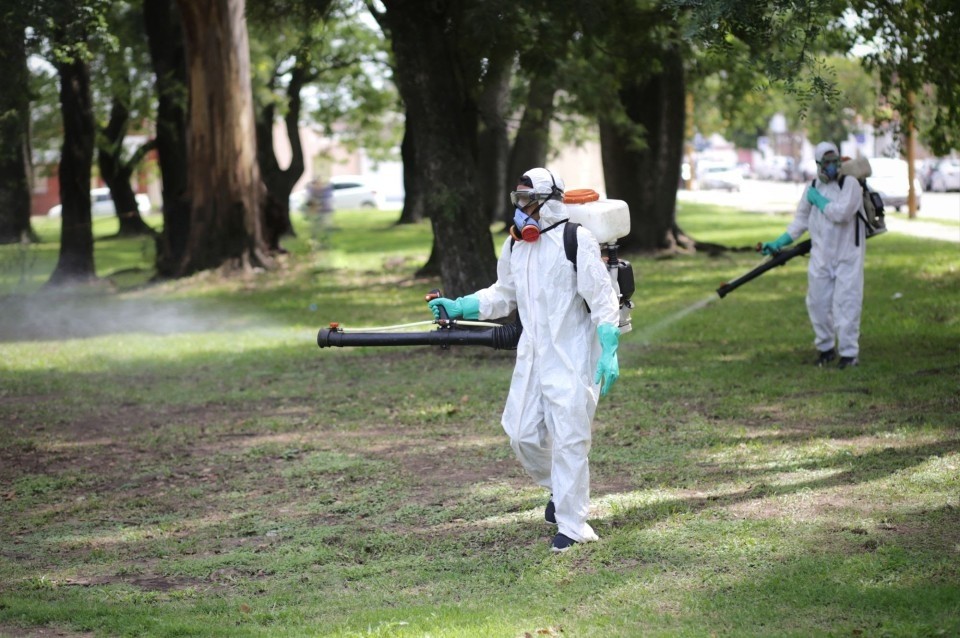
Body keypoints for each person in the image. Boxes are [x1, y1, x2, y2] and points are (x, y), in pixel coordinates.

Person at [428, 167, 621, 553]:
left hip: (573, 355)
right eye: (517, 201)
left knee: (570, 439)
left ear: (548, 203)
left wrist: (610, 350)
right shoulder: (516, 244)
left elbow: (603, 301)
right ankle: (558, 490)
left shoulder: (575, 240)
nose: (520, 209)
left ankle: (572, 525)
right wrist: (461, 304)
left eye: (526, 201)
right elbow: (503, 293)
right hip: (533, 354)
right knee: (520, 433)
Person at [760, 141, 865, 369]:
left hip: (848, 256)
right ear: (818, 164)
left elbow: (842, 214)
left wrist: (820, 201)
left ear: (840, 161)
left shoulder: (850, 185)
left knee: (846, 304)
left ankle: (849, 354)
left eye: (834, 161)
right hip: (821, 257)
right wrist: (779, 242)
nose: (830, 166)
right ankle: (826, 348)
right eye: (825, 162)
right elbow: (800, 222)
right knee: (817, 303)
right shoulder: (812, 187)